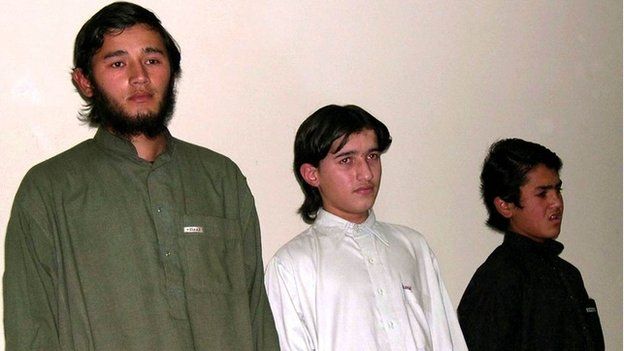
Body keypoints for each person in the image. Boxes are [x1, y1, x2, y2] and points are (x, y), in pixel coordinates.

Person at [3, 2, 279, 350]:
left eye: (152, 60)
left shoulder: (221, 180)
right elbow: (30, 331)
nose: (140, 77)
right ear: (85, 81)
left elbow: (257, 316)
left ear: (172, 71)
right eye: (118, 63)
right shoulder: (49, 190)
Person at [264, 104, 467, 351]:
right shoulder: (293, 264)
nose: (366, 174)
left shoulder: (413, 246)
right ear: (312, 174)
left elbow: (446, 340)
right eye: (346, 160)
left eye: (372, 156)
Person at [457, 138, 604, 350]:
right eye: (542, 193)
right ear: (505, 205)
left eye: (558, 190)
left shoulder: (568, 274)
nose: (556, 203)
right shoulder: (498, 280)